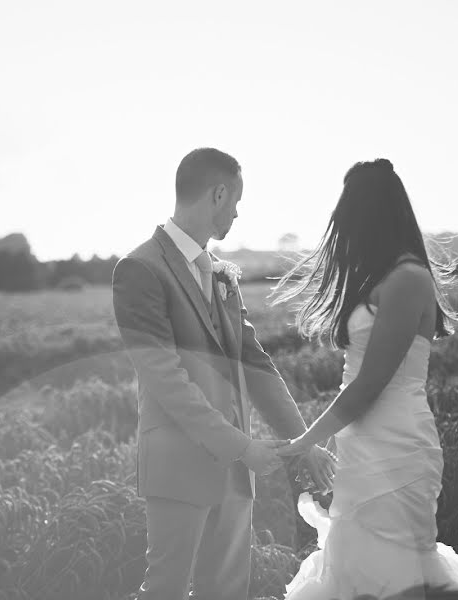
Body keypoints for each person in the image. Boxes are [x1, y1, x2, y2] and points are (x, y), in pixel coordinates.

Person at [111, 147, 336, 600]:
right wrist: (242, 446)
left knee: (228, 593)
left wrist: (304, 446)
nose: (237, 211)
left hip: (235, 476)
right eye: (236, 200)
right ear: (218, 194)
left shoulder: (221, 274)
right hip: (179, 467)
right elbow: (166, 380)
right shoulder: (139, 269)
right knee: (166, 591)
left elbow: (257, 367)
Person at [272, 158, 458, 599]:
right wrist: (326, 441)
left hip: (397, 447)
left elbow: (368, 387)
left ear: (367, 217)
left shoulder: (409, 279)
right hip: (362, 445)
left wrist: (303, 442)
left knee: (396, 576)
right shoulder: (381, 277)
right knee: (356, 569)